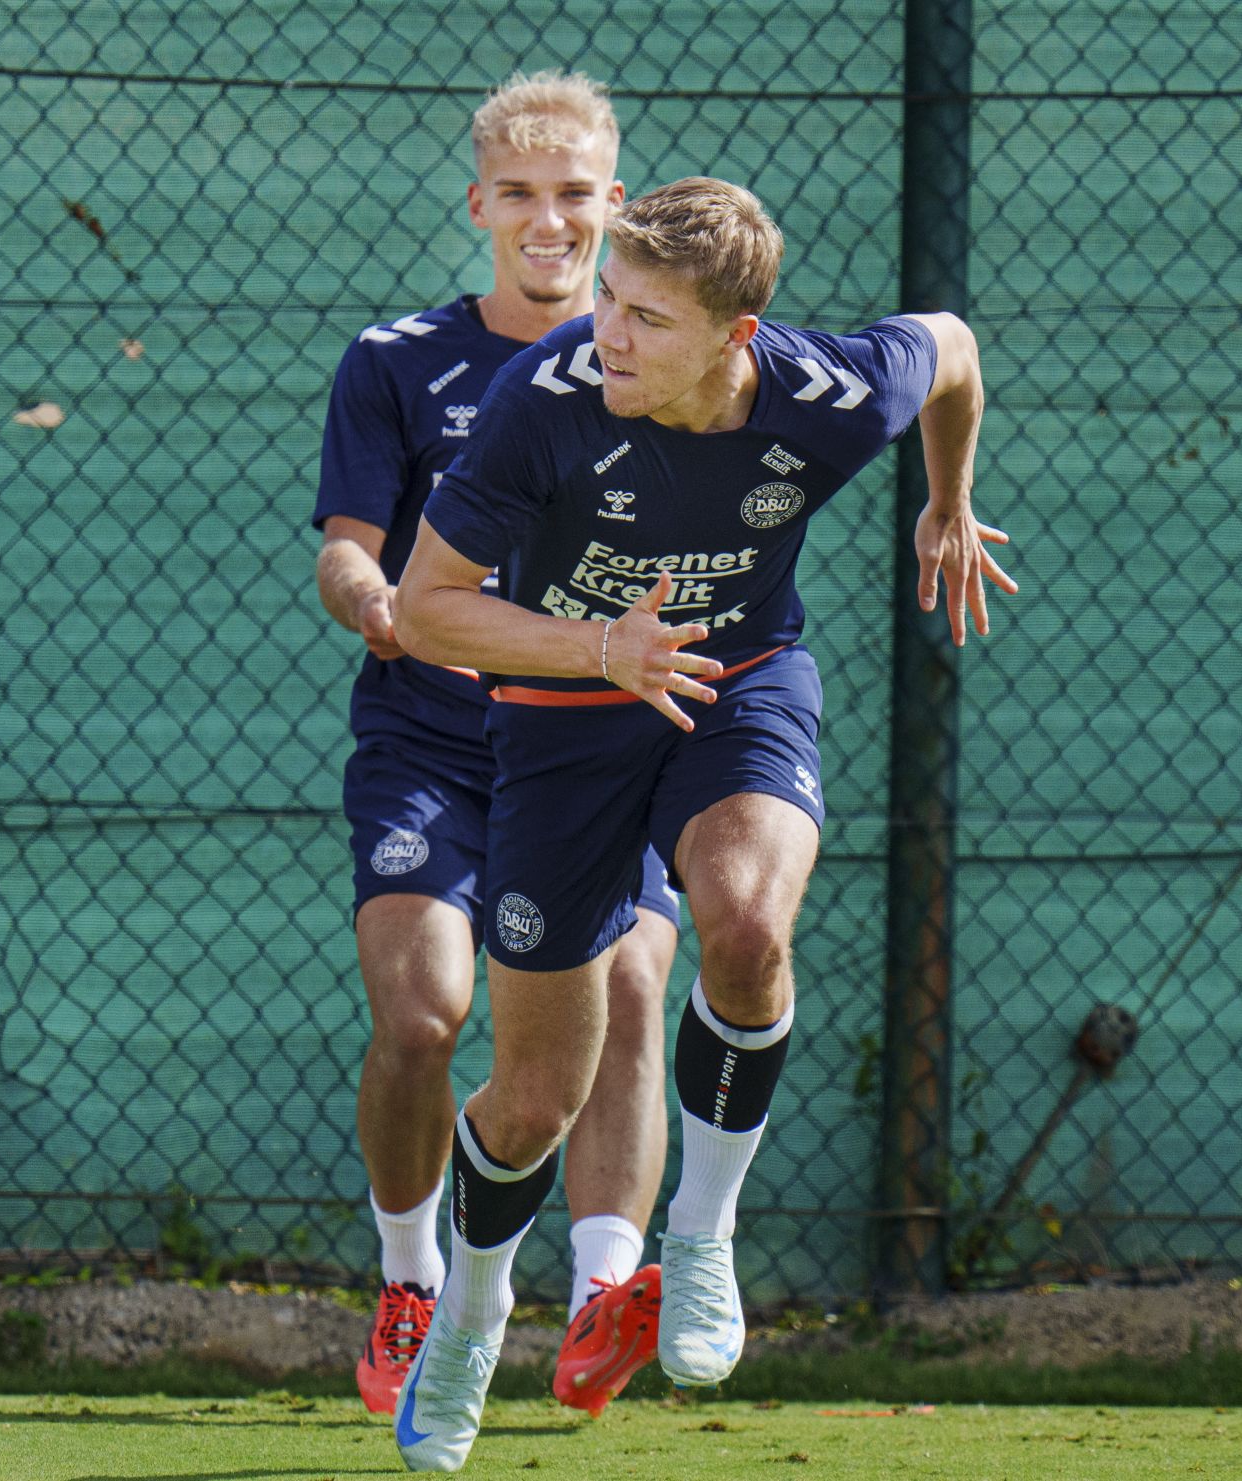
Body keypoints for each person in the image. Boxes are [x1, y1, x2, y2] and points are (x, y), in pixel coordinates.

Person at [389, 176, 1017, 1471]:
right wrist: (596, 647)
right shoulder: (544, 400)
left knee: (742, 926)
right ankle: (471, 1309)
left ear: (737, 336)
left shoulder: (827, 396)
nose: (607, 334)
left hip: (737, 683)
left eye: (648, 319)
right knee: (536, 1096)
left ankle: (700, 1233)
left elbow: (952, 347)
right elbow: (423, 608)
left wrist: (947, 499)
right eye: (610, 300)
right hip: (560, 719)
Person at [312, 72, 681, 1420]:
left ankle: (602, 1297)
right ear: (478, 205)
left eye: (574, 194)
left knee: (631, 988)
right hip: (434, 746)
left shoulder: (662, 360)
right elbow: (349, 549)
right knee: (424, 1016)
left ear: (614, 206)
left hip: (602, 749)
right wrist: (378, 602)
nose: (548, 219)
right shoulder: (395, 361)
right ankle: (412, 1280)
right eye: (520, 193)